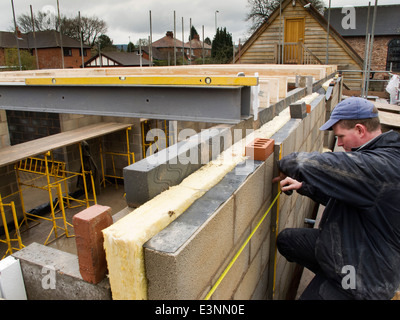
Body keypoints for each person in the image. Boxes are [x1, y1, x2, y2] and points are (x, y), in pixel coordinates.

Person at [273, 97, 400, 300]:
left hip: (363, 278)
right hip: (353, 246)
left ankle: (336, 284)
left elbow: (303, 164)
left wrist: (284, 164)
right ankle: (329, 272)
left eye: (341, 137)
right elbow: (348, 197)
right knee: (288, 241)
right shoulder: (380, 156)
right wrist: (304, 186)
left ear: (360, 129)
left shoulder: (379, 167)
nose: (338, 144)